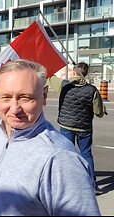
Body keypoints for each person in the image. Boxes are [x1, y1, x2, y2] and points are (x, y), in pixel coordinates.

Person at [0, 60, 100, 216]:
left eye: (25, 98)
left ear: (44, 95)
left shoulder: (59, 158)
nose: (14, 109)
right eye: (6, 97)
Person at [55, 62, 106, 195]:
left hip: (66, 125)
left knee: (67, 154)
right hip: (84, 128)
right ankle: (92, 184)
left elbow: (48, 78)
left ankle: (68, 184)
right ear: (87, 73)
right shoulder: (92, 90)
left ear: (73, 72)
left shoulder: (64, 85)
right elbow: (98, 112)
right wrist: (102, 110)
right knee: (86, 154)